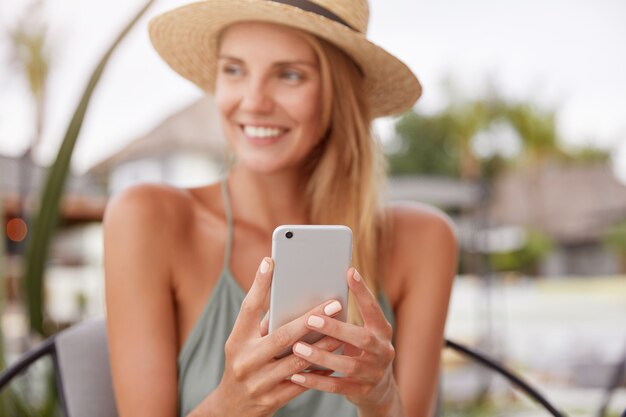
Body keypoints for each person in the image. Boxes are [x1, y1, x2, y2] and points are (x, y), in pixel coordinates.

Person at [103, 0, 457, 416]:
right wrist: (231, 404)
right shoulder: (148, 218)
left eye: (289, 74)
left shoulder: (422, 241)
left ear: (337, 93)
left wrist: (381, 399)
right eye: (234, 69)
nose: (253, 102)